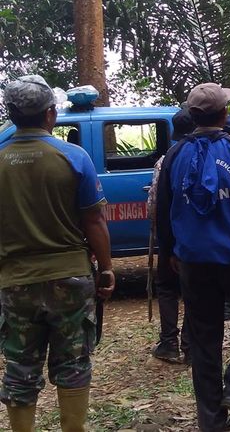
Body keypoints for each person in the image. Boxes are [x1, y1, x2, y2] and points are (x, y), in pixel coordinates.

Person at [156, 83, 230, 432]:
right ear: (224, 114)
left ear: (192, 116)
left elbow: (164, 213)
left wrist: (170, 253)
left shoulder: (174, 156)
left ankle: (211, 418)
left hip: (195, 260)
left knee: (204, 335)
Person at [0, 75, 115, 432]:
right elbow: (94, 220)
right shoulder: (73, 157)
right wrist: (107, 269)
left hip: (15, 281)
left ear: (12, 114)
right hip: (69, 276)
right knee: (73, 363)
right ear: (51, 113)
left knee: (19, 366)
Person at [148, 108, 195, 364]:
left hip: (171, 236)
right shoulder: (206, 156)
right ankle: (189, 345)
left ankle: (168, 342)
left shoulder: (166, 160)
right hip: (194, 237)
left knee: (166, 288)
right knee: (191, 288)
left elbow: (154, 205)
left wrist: (162, 239)